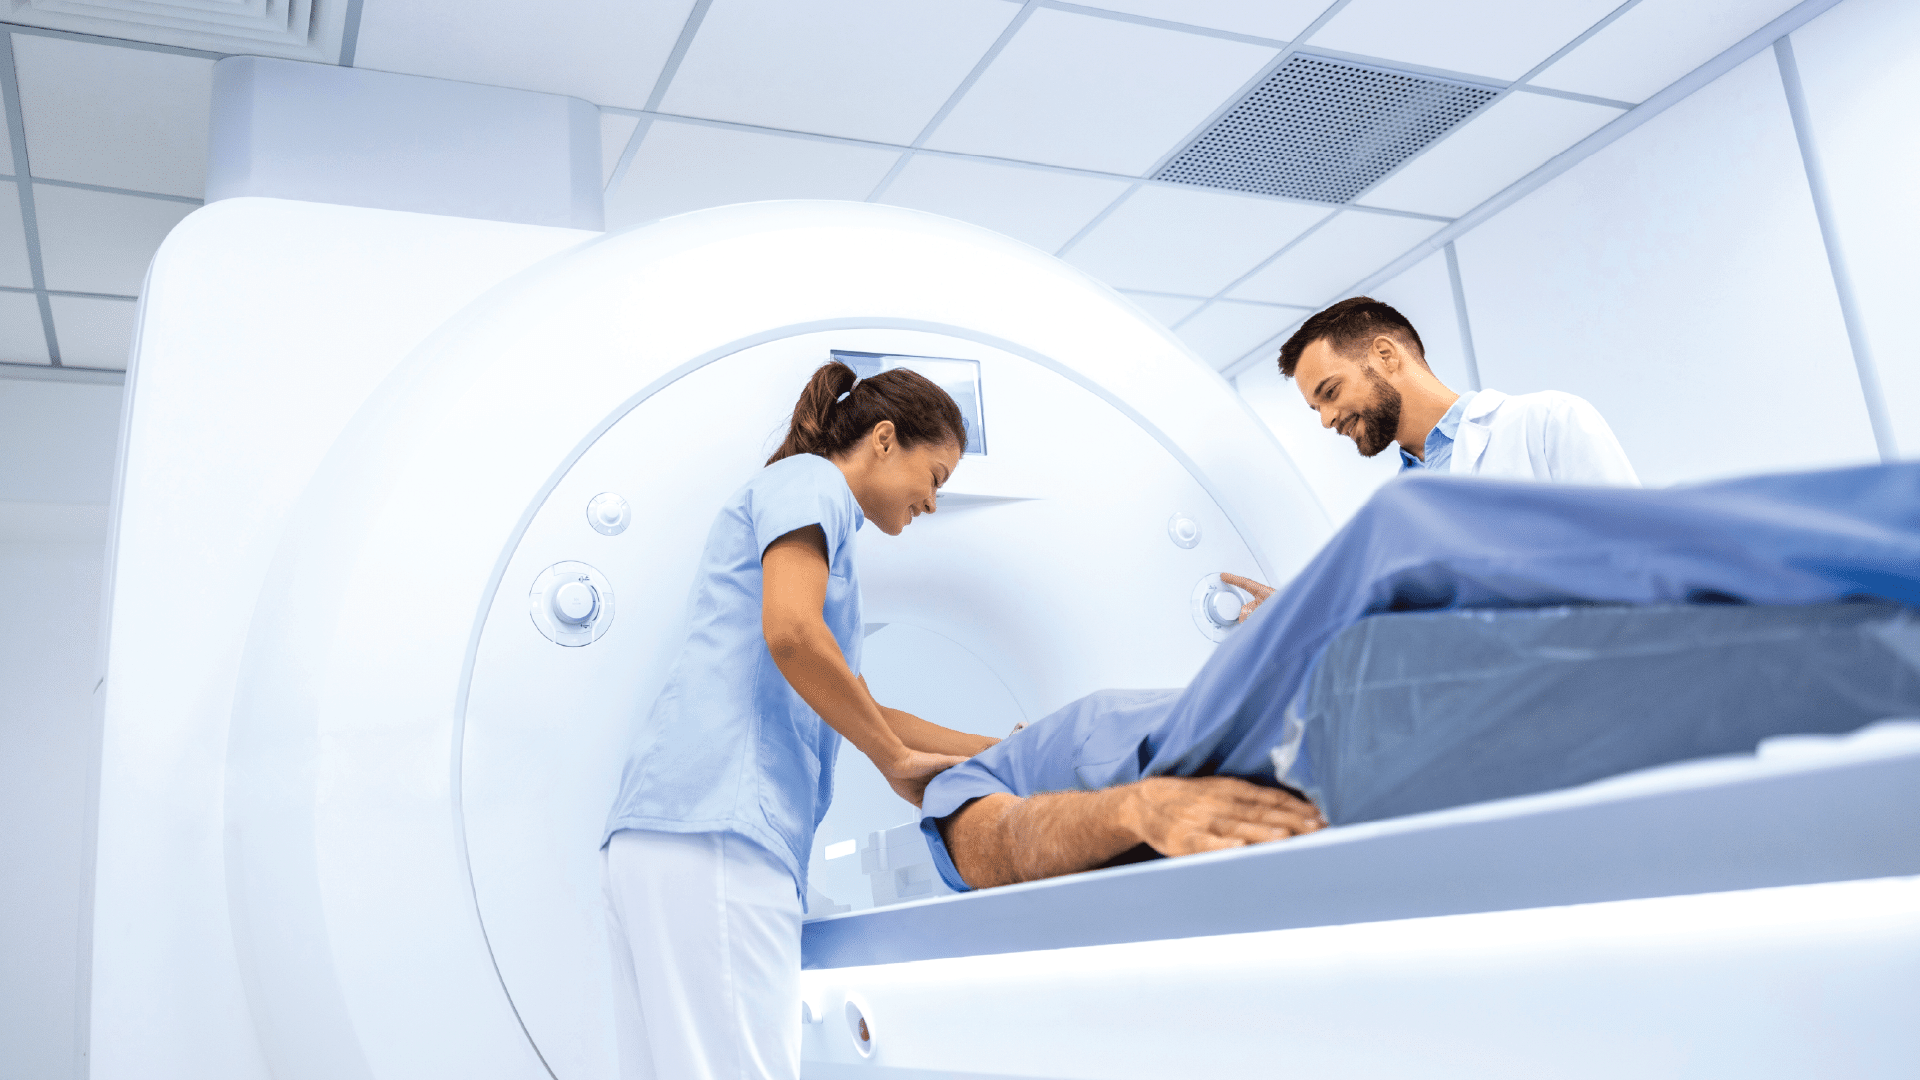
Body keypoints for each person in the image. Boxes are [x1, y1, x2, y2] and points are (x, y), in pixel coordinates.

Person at [918, 462, 1920, 893]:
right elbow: (990, 850)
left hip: (1248, 705)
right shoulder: (990, 777)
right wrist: (1142, 810)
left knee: (1571, 634)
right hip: (1195, 753)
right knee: (1406, 527)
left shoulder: (1079, 710)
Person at [600, 361, 995, 1080]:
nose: (933, 502)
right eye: (934, 477)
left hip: (669, 830)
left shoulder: (816, 525)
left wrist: (994, 749)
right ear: (883, 439)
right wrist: (893, 762)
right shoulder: (810, 482)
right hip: (721, 831)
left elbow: (859, 699)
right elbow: (790, 633)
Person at [1282, 296, 1638, 485]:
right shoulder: (1399, 509)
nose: (1327, 420)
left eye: (1330, 392)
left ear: (1385, 355)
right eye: (1316, 409)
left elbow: (1634, 550)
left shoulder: (1546, 424)